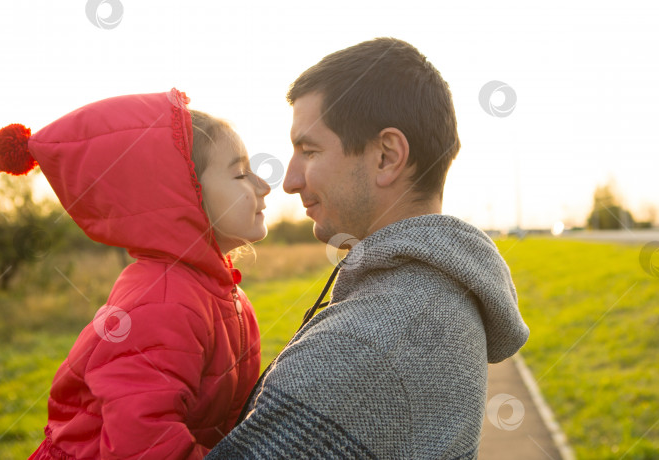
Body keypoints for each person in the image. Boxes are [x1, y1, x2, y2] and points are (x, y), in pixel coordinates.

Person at [208, 38, 530, 459]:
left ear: (386, 157)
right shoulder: (441, 293)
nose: (288, 180)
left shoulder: (366, 348)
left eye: (309, 151)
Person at [0, 88, 268, 459]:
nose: (264, 187)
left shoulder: (220, 292)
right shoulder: (163, 302)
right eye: (240, 174)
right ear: (183, 194)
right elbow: (143, 447)